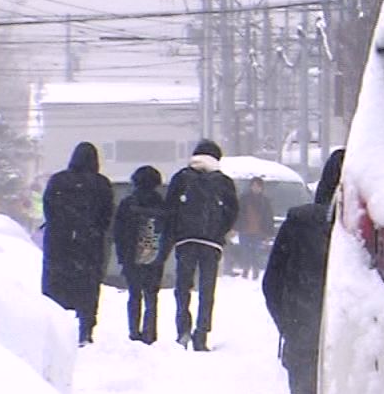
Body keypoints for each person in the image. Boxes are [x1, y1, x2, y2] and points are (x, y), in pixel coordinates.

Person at [265, 148, 344, 394]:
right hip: (359, 352)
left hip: (305, 346)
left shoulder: (300, 222)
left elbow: (273, 284)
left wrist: (293, 327)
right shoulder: (377, 227)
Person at [166, 138, 239, 351]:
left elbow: (170, 208)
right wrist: (219, 231)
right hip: (211, 243)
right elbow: (232, 211)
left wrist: (176, 232)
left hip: (185, 240)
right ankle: (202, 334)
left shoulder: (181, 178)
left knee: (183, 287)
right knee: (207, 290)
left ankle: (183, 330)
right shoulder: (223, 181)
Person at [40, 141, 113, 346]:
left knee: (56, 284)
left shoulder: (57, 181)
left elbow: (48, 209)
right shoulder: (101, 184)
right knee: (87, 287)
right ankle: (85, 330)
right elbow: (107, 216)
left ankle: (54, 328)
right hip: (89, 244)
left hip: (59, 243)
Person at [111, 165, 172, 344]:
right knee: (152, 296)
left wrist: (122, 256)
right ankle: (150, 332)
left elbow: (118, 232)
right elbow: (169, 233)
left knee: (134, 295)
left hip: (132, 255)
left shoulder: (128, 204)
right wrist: (163, 254)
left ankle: (134, 331)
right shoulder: (162, 205)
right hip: (154, 257)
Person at [233, 176, 276, 278]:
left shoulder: (265, 201)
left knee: (256, 252)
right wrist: (235, 227)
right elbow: (238, 214)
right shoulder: (244, 199)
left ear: (261, 188)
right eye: (254, 186)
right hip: (245, 230)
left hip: (259, 231)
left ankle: (256, 271)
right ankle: (245, 270)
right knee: (245, 251)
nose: (256, 188)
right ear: (250, 187)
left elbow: (269, 218)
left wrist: (269, 233)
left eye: (258, 186)